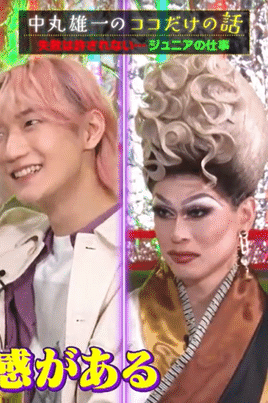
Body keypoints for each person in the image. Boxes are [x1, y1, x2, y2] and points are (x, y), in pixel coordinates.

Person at [128, 55, 268, 402]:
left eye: (197, 212)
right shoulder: (119, 320)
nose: (177, 233)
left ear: (245, 214)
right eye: (163, 211)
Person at [0, 56, 120, 403]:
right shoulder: (10, 235)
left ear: (90, 130)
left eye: (31, 122)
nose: (10, 150)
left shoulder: (125, 262)